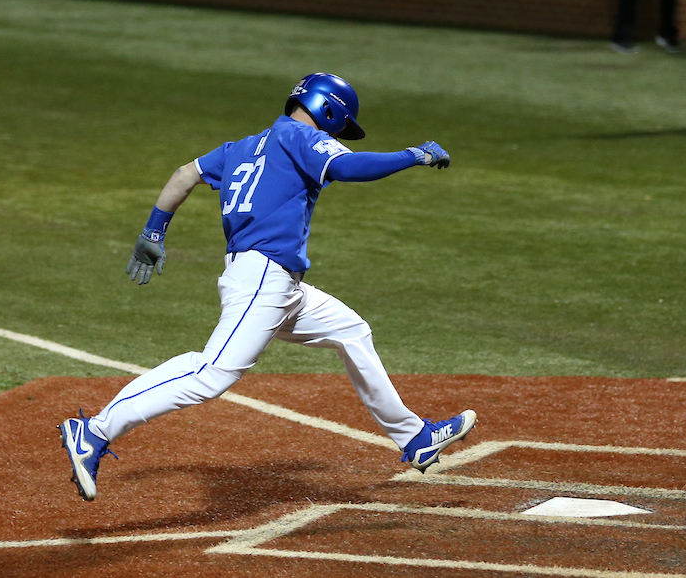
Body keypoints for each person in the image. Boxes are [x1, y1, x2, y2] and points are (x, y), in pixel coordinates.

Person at [58, 73, 477, 501]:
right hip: (263, 279)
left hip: (280, 286)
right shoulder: (299, 136)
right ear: (327, 109)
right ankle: (93, 431)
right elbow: (347, 166)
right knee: (211, 374)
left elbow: (185, 173)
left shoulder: (240, 147)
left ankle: (413, 436)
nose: (336, 134)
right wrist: (413, 155)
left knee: (352, 331)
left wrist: (154, 230)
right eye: (338, 124)